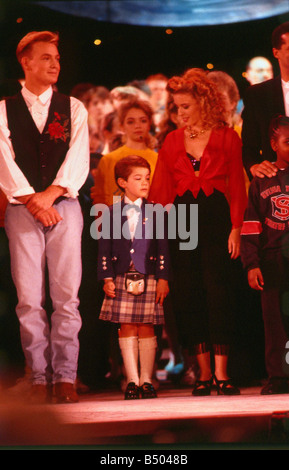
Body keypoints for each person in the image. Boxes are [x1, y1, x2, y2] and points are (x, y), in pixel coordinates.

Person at [0, 31, 90, 404]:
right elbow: (2, 159)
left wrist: (51, 195)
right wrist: (32, 201)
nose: (55, 64)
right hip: (22, 208)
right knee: (29, 298)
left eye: (57, 58)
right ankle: (38, 376)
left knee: (67, 297)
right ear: (27, 62)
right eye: (47, 58)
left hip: (64, 206)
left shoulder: (74, 107)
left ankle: (65, 377)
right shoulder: (4, 108)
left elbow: (78, 160)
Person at [149, 68, 247, 396]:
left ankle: (222, 372)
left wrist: (236, 228)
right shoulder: (173, 140)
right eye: (176, 107)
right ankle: (203, 373)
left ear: (204, 103)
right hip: (182, 220)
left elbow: (236, 187)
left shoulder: (227, 135)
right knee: (189, 294)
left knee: (220, 292)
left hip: (218, 218)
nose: (180, 113)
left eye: (186, 106)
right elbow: (161, 190)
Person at [96, 156, 170, 399]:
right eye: (138, 178)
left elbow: (163, 248)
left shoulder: (156, 212)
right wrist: (106, 277)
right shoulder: (110, 212)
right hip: (120, 275)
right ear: (122, 182)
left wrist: (163, 277)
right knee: (125, 326)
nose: (144, 183)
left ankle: (147, 380)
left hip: (148, 274)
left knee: (147, 326)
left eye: (147, 178)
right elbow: (104, 248)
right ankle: (131, 380)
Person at [241, 115, 289, 395]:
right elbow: (251, 225)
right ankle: (280, 377)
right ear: (273, 144)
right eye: (287, 142)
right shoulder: (261, 180)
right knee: (274, 323)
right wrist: (251, 264)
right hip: (272, 261)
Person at [242, 22, 289, 180]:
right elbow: (249, 147)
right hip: (275, 186)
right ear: (276, 52)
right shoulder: (258, 95)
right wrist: (254, 167)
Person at [91, 97, 158, 207]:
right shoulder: (108, 160)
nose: (137, 126)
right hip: (115, 221)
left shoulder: (159, 160)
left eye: (143, 120)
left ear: (149, 124)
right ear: (122, 126)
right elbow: (100, 201)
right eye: (131, 122)